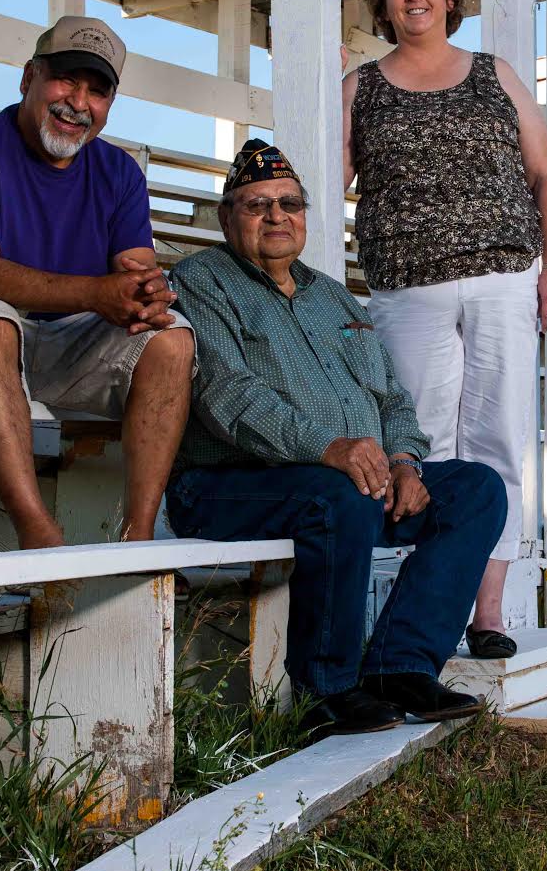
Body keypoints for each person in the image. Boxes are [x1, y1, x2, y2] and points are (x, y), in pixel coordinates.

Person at [167, 139, 504, 736]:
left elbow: (392, 397)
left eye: (289, 204)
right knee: (336, 495)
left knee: (476, 488)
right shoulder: (201, 282)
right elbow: (226, 395)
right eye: (257, 205)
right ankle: (325, 689)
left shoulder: (329, 294)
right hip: (230, 488)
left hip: (352, 484)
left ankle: (399, 666)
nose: (277, 216)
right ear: (227, 217)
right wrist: (329, 448)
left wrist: (403, 461)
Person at [341, 0, 547, 660]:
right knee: (424, 447)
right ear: (383, 4)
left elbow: (546, 178)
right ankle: (425, 614)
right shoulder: (362, 87)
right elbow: (328, 179)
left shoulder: (494, 74)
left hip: (505, 279)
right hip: (407, 291)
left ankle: (490, 612)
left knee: (501, 440)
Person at [0, 15, 193, 549]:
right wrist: (99, 293)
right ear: (28, 78)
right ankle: (37, 533)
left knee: (171, 339)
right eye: (66, 80)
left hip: (59, 345)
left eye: (97, 91)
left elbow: (136, 268)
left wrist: (147, 296)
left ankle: (138, 539)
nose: (78, 102)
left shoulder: (119, 172)